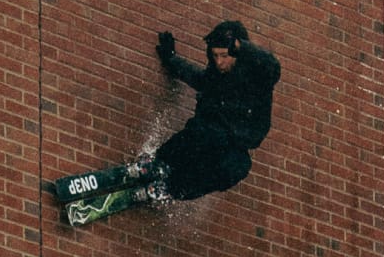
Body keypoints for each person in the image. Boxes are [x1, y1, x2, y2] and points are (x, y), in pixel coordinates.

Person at [51, 22, 281, 227]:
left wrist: (241, 46)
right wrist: (171, 59)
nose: (219, 62)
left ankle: (168, 188)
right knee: (209, 132)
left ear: (238, 53)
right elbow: (194, 76)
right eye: (215, 56)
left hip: (228, 150)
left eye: (224, 56)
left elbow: (271, 64)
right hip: (202, 138)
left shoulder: (259, 76)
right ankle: (158, 164)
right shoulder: (214, 78)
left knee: (238, 167)